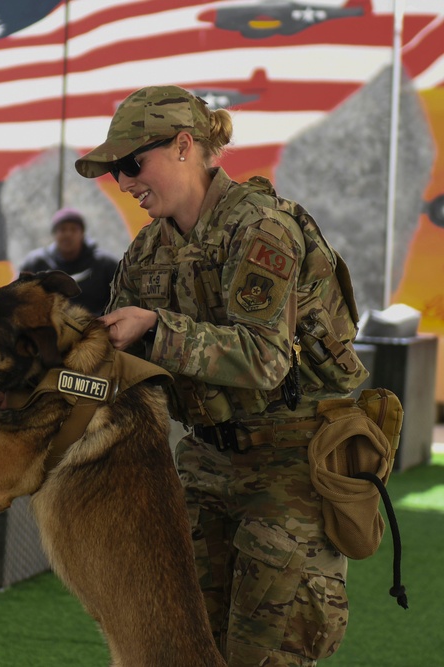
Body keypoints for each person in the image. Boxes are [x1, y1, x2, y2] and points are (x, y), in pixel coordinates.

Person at [76, 86, 368, 665]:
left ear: (185, 145)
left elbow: (265, 358)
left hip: (290, 467)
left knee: (265, 655)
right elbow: (111, 367)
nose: (125, 182)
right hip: (205, 465)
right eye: (115, 173)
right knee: (185, 648)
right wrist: (41, 394)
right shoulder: (148, 251)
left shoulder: (263, 229)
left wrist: (155, 329)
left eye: (133, 164)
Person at [18, 206, 118, 315]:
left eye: (73, 229)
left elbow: (122, 301)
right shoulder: (35, 263)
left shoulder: (105, 264)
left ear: (82, 234)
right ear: (54, 234)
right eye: (62, 229)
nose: (68, 235)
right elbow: (17, 300)